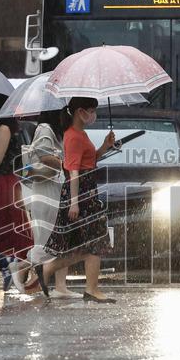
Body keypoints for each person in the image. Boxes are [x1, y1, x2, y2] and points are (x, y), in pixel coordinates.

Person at [36, 97, 117, 303]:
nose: (93, 115)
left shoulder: (81, 134)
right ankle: (85, 286)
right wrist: (74, 202)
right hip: (80, 192)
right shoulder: (72, 136)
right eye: (91, 110)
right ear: (80, 111)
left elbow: (89, 161)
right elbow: (72, 171)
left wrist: (105, 147)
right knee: (93, 241)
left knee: (91, 243)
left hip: (87, 190)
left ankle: (88, 287)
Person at [0, 97, 37, 293]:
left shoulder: (3, 128)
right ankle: (12, 270)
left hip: (4, 186)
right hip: (3, 185)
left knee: (2, 232)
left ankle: (17, 270)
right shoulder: (1, 128)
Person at [25, 111, 77, 298]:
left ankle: (60, 286)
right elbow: (43, 156)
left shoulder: (56, 131)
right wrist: (64, 162)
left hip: (55, 189)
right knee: (47, 238)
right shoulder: (44, 129)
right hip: (46, 192)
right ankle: (24, 270)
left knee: (61, 239)